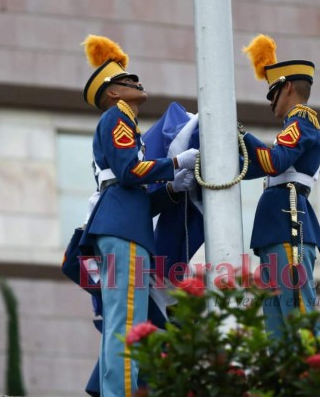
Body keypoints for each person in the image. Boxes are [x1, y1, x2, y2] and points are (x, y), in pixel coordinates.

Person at [78, 34, 199, 396]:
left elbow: (138, 193)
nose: (137, 83)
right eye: (128, 80)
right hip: (120, 226)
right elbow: (130, 172)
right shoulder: (118, 119)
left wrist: (173, 187)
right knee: (125, 318)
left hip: (126, 222)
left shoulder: (128, 125)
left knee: (127, 317)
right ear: (113, 92)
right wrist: (175, 162)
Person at [241, 34, 320, 340]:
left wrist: (242, 136)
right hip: (276, 226)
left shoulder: (301, 121)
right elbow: (263, 166)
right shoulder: (294, 126)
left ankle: (317, 378)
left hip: (288, 224)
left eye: (272, 92)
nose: (271, 102)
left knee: (299, 318)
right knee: (278, 329)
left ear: (287, 87)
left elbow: (274, 162)